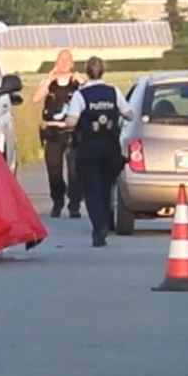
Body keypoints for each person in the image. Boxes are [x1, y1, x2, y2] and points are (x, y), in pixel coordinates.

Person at [61, 55, 134, 247]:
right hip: (110, 146)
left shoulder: (80, 95)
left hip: (89, 146)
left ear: (86, 72)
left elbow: (72, 122)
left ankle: (99, 227)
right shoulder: (113, 92)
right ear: (104, 71)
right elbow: (129, 114)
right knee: (105, 187)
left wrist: (66, 122)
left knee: (91, 189)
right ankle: (105, 222)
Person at [29, 49, 84, 217]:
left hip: (72, 131)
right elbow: (35, 98)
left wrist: (82, 83)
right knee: (54, 169)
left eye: (67, 60)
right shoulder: (50, 82)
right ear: (56, 62)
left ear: (72, 63)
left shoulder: (77, 83)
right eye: (61, 59)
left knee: (75, 169)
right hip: (53, 131)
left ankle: (74, 204)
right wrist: (48, 80)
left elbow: (88, 97)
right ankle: (57, 201)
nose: (64, 62)